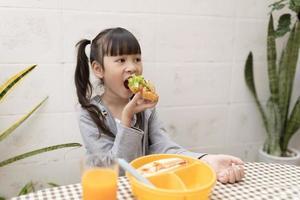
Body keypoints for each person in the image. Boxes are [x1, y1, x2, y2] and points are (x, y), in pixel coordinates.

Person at [75, 27, 244, 184]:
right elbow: (114, 171)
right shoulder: (89, 114)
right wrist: (127, 119)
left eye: (137, 59)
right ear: (98, 69)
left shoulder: (145, 108)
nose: (133, 67)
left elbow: (163, 148)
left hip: (141, 190)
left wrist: (205, 160)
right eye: (121, 60)